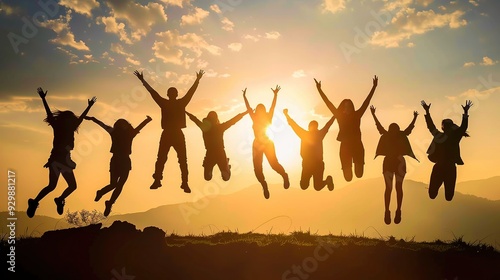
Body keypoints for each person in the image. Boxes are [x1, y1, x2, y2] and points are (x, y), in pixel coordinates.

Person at [27, 87, 96, 218]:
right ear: (67, 119)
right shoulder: (60, 127)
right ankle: (41, 201)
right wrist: (43, 99)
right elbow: (50, 115)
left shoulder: (66, 127)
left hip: (61, 160)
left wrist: (89, 107)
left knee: (60, 186)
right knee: (61, 186)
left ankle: (47, 201)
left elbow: (79, 119)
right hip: (59, 159)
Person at [134, 69, 204, 193]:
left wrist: (142, 80)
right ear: (175, 94)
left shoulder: (167, 103)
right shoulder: (179, 103)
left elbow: (153, 93)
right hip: (173, 133)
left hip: (171, 133)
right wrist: (197, 80)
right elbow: (190, 92)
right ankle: (180, 183)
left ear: (170, 94)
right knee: (177, 160)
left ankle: (169, 181)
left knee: (164, 158)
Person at [314, 75, 378, 181]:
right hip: (345, 147)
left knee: (359, 174)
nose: (348, 108)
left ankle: (358, 165)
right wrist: (319, 89)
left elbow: (366, 103)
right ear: (343, 108)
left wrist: (374, 87)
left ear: (352, 107)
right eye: (346, 106)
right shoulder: (340, 116)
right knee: (348, 178)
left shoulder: (357, 115)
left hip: (357, 146)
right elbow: (328, 103)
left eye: (350, 106)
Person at [85, 116, 152, 216]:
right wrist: (93, 119)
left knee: (119, 185)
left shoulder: (128, 133)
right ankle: (101, 193)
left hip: (124, 160)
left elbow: (139, 127)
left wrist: (147, 120)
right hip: (117, 160)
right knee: (113, 184)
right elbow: (103, 125)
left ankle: (110, 203)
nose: (122, 127)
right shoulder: (116, 132)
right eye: (121, 125)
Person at [370, 106, 418, 224]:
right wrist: (415, 118)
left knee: (391, 188)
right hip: (398, 163)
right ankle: (393, 211)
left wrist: (415, 118)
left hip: (392, 163)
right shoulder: (400, 135)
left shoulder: (388, 135)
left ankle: (391, 211)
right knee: (395, 188)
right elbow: (408, 129)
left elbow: (379, 127)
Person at [243, 86, 289, 199]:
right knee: (257, 168)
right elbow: (249, 109)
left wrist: (275, 95)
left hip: (267, 142)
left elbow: (273, 107)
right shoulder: (254, 117)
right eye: (258, 109)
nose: (259, 111)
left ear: (263, 110)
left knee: (274, 164)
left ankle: (284, 175)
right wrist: (244, 97)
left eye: (261, 109)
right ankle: (264, 185)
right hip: (257, 145)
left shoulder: (268, 116)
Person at [421, 100, 472, 201]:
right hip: (447, 168)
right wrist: (465, 113)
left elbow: (431, 127)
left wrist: (427, 112)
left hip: (443, 167)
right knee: (442, 196)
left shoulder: (445, 136)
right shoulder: (451, 137)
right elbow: (463, 128)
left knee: (442, 196)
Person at [186, 110, 247, 181]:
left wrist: (185, 112)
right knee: (209, 178)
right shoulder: (217, 127)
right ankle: (225, 165)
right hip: (214, 153)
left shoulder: (208, 127)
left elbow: (195, 119)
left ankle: (226, 165)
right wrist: (245, 113)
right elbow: (232, 121)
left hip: (217, 153)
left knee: (222, 177)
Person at [283, 109, 335, 191]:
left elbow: (328, 125)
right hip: (308, 164)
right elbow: (294, 125)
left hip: (317, 164)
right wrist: (286, 115)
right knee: (304, 186)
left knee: (316, 187)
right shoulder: (307, 134)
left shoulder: (316, 134)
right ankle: (325, 180)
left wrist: (335, 115)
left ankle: (328, 180)